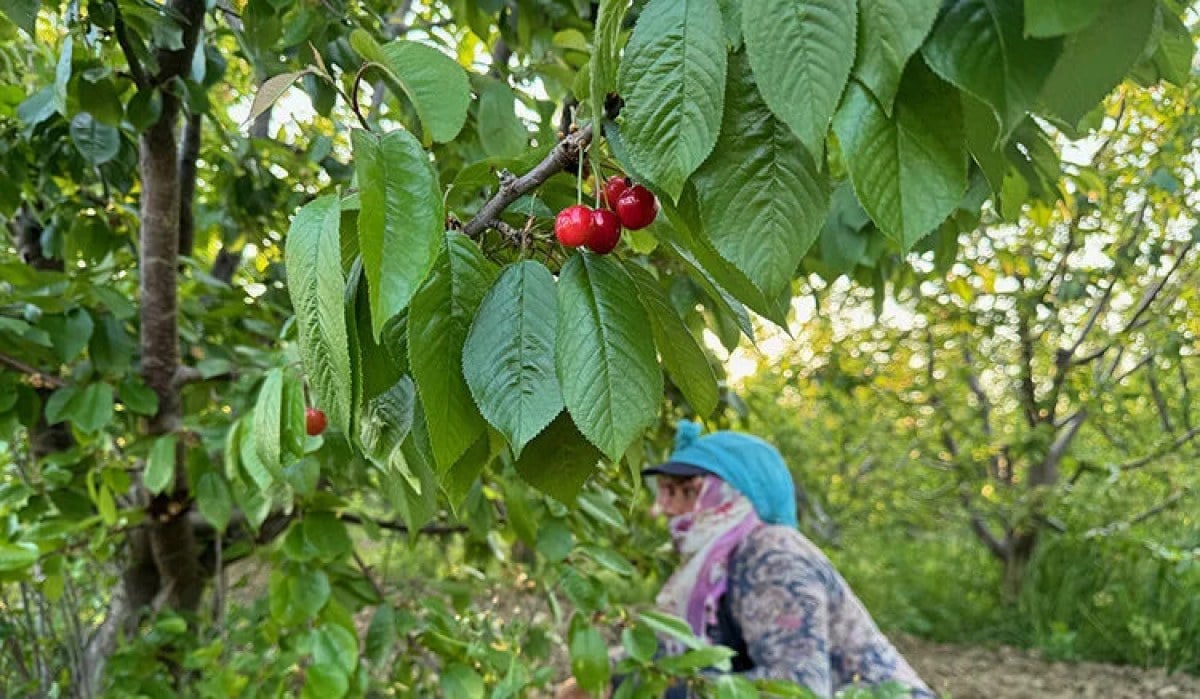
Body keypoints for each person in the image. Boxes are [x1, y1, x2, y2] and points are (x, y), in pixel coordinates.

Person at [555, 421, 933, 698]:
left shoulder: (774, 556)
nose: (664, 510)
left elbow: (798, 690)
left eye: (685, 492)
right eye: (665, 492)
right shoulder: (716, 567)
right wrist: (599, 673)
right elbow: (675, 649)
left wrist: (658, 690)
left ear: (732, 497)